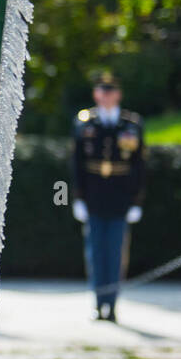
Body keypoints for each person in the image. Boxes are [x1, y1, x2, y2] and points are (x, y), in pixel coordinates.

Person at [71, 71, 146, 323]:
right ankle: (98, 302)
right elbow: (77, 163)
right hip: (93, 197)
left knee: (115, 253)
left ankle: (111, 305)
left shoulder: (132, 124)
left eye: (110, 91)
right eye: (102, 91)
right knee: (95, 253)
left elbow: (139, 166)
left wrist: (136, 201)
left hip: (120, 198)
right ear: (96, 94)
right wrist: (78, 198)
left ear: (118, 94)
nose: (106, 95)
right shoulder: (84, 123)